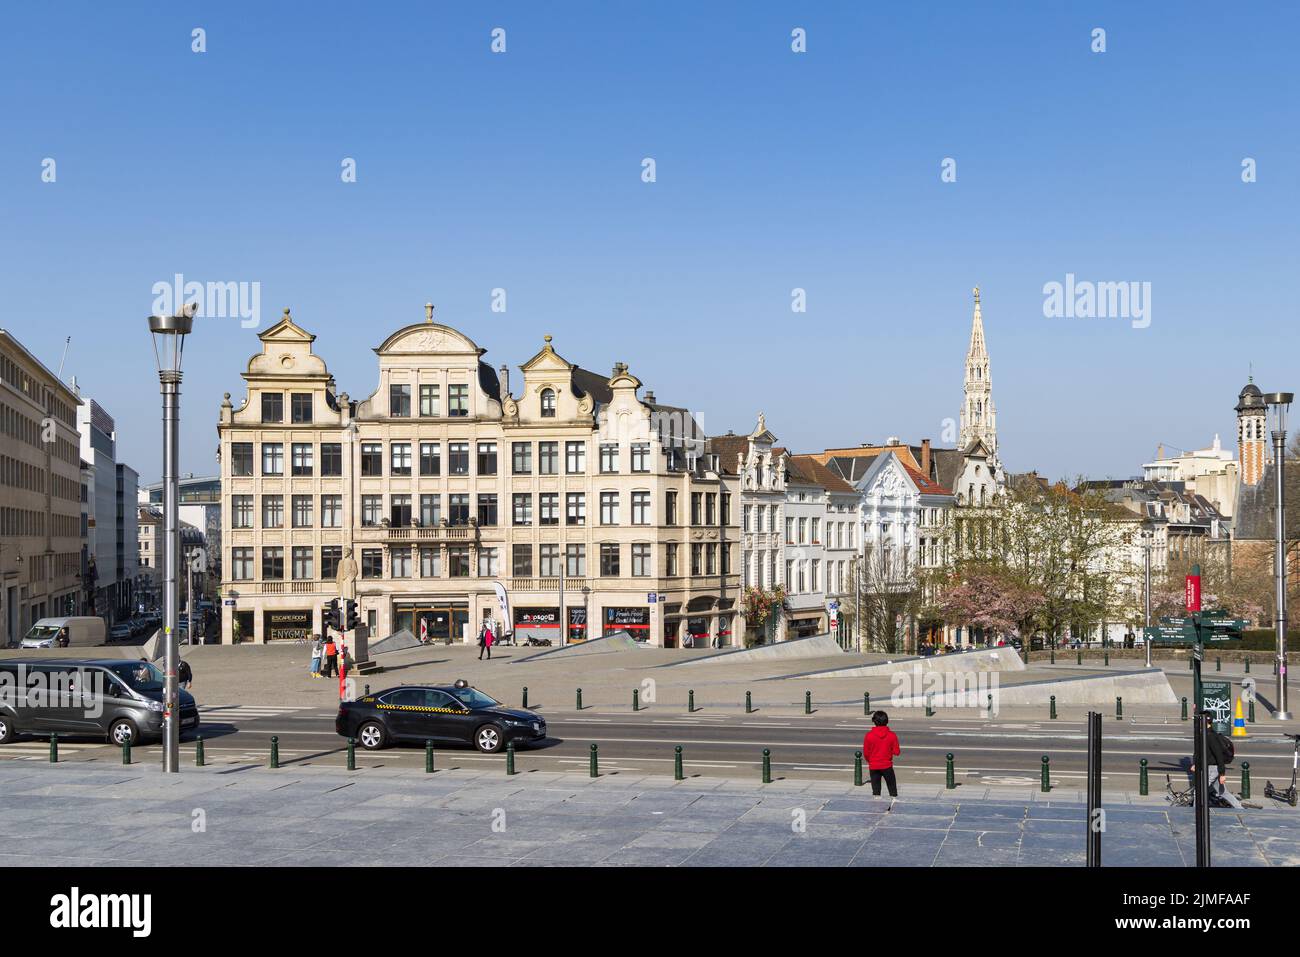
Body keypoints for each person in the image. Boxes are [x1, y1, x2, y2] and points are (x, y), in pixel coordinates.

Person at [863, 710, 901, 798]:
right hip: (887, 766)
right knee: (892, 790)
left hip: (873, 766)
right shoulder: (892, 735)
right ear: (887, 721)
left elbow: (866, 753)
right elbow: (897, 752)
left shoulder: (869, 735)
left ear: (874, 721)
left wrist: (871, 761)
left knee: (876, 792)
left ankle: (876, 808)